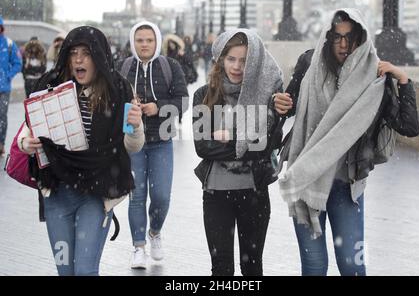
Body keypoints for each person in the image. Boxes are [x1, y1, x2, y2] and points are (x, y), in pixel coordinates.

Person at [273, 8, 419, 276]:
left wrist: (403, 79)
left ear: (360, 38)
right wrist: (278, 102)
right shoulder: (309, 63)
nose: (343, 45)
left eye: (349, 37)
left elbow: (409, 127)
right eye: (336, 37)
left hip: (347, 185)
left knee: (353, 267)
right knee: (314, 268)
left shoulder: (374, 74)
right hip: (307, 179)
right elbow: (288, 105)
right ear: (327, 38)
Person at [18, 26, 144, 276]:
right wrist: (26, 143)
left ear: (99, 57)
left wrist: (136, 126)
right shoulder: (51, 85)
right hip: (56, 195)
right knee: (65, 271)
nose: (78, 59)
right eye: (73, 52)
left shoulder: (118, 91)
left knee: (85, 270)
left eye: (86, 53)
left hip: (95, 195)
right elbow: (28, 129)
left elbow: (131, 147)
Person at [192, 29, 284, 276]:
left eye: (244, 60)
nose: (237, 66)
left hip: (254, 192)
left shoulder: (264, 97)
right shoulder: (204, 95)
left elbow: (266, 145)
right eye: (231, 59)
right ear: (221, 59)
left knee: (252, 267)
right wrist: (246, 141)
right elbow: (202, 146)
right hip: (216, 194)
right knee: (221, 269)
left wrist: (229, 137)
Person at [124, 21, 188, 269]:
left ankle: (155, 232)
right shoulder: (125, 66)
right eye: (140, 40)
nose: (144, 44)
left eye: (149, 40)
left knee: (161, 196)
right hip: (132, 141)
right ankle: (138, 247)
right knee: (136, 196)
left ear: (157, 42)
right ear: (133, 42)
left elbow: (182, 101)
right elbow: (112, 98)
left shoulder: (169, 66)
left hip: (162, 140)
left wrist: (157, 107)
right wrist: (130, 106)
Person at [0, 15, 22, 156]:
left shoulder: (9, 44)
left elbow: (18, 63)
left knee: (2, 117)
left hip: (4, 89)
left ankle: (1, 144)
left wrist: (7, 76)